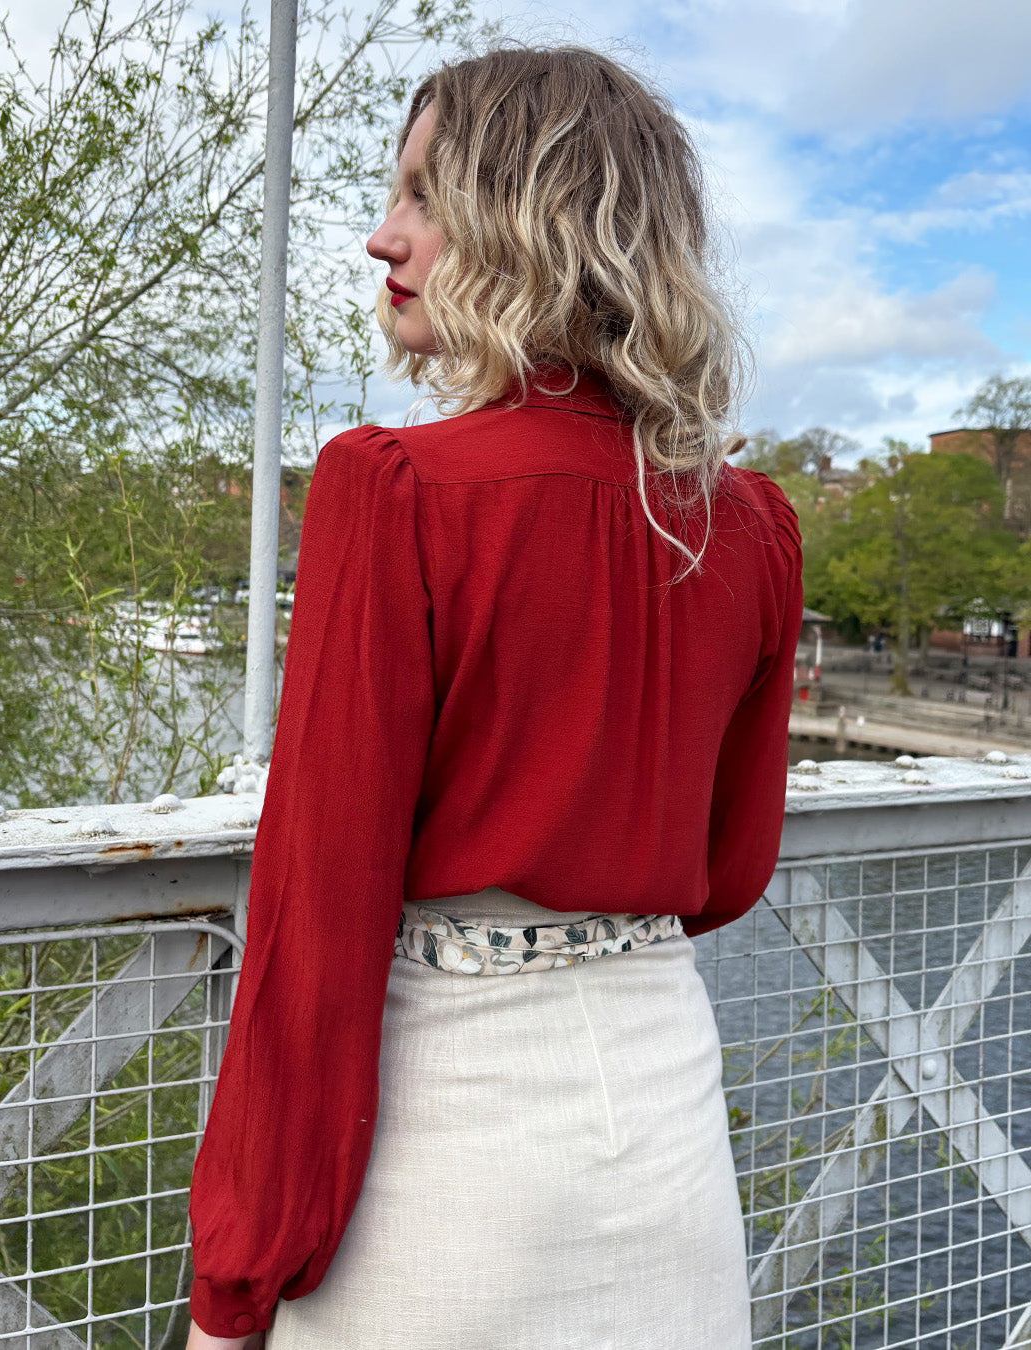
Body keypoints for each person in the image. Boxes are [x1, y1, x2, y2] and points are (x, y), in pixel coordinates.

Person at [184, 44, 802, 1350]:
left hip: (441, 1158)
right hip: (667, 1126)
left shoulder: (394, 488)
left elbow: (318, 926)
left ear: (531, 213)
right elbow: (731, 869)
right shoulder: (752, 526)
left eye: (421, 194)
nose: (379, 236)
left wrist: (236, 1284)